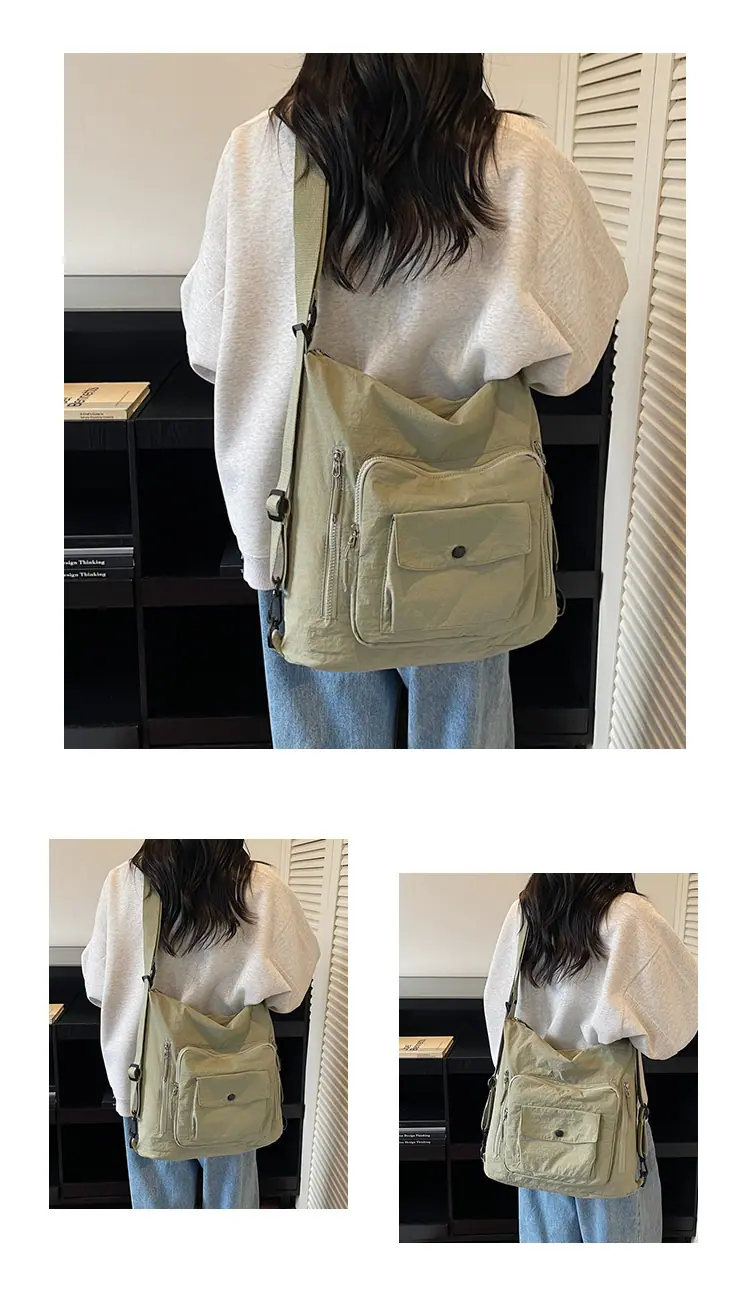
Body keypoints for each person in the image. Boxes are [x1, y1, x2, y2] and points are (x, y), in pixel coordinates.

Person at [181, 54, 628, 749]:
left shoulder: (256, 154)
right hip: (469, 528)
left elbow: (212, 347)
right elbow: (571, 360)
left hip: (306, 536)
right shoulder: (521, 159)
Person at [81, 840, 319, 1209]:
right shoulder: (263, 887)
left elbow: (98, 987)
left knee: (160, 1207)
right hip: (234, 1080)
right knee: (232, 1204)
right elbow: (290, 995)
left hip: (147, 1084)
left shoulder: (121, 884)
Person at [483, 874, 698, 1243]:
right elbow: (671, 1032)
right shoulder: (629, 916)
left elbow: (498, 1015)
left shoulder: (524, 912)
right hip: (610, 1124)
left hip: (531, 1120)